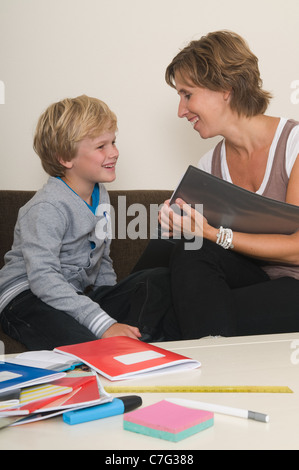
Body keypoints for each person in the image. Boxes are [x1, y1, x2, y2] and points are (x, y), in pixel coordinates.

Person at [0, 95, 180, 350]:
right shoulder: (47, 207)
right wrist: (103, 325)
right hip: (25, 298)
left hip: (74, 295)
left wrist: (110, 310)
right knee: (88, 344)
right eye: (101, 146)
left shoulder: (100, 196)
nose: (114, 152)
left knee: (157, 279)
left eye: (113, 142)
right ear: (64, 157)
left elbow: (102, 261)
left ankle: (143, 345)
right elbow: (43, 279)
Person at [157, 30, 299, 340]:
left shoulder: (293, 145)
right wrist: (175, 224)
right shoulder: (211, 165)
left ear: (225, 88)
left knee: (177, 316)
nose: (181, 111)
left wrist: (211, 232)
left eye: (187, 94)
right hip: (255, 279)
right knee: (187, 247)